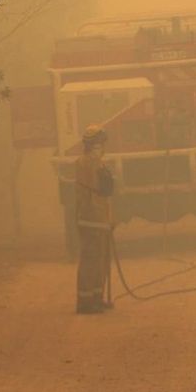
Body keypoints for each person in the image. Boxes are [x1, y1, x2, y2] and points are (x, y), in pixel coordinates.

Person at [75, 124, 115, 314]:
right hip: (90, 220)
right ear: (92, 145)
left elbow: (105, 194)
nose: (102, 148)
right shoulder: (85, 163)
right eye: (99, 144)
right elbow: (99, 188)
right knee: (90, 259)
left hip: (100, 220)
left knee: (101, 259)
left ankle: (96, 298)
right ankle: (85, 301)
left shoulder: (98, 162)